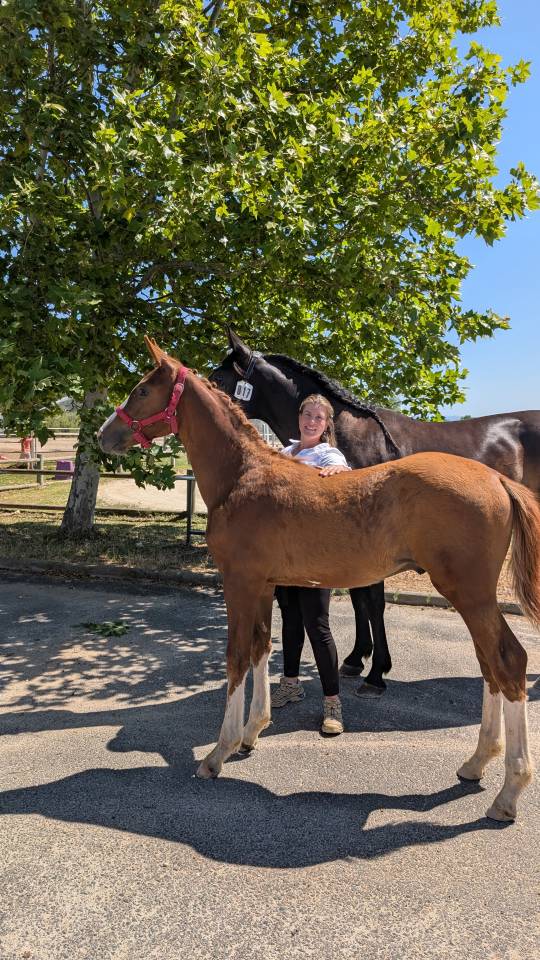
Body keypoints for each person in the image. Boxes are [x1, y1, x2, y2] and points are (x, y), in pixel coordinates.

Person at [272, 393, 351, 735]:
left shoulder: (326, 453)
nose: (311, 421)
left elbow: (345, 473)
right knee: (289, 620)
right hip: (283, 552)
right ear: (299, 416)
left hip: (315, 556)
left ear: (326, 424)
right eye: (308, 414)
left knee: (317, 626)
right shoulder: (285, 452)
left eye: (319, 417)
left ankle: (333, 703)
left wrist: (339, 470)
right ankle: (291, 685)